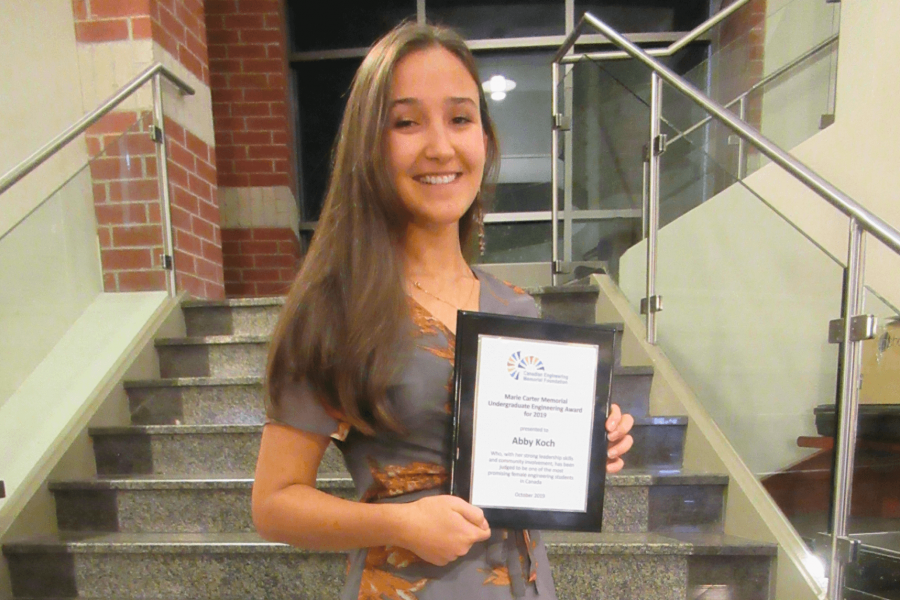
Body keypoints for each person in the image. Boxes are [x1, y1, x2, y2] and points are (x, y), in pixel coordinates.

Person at [251, 21, 635, 600]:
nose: (441, 146)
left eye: (460, 118)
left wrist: (584, 445)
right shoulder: (337, 310)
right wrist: (398, 522)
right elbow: (274, 505)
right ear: (369, 145)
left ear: (485, 136)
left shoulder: (515, 309)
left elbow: (526, 467)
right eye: (407, 122)